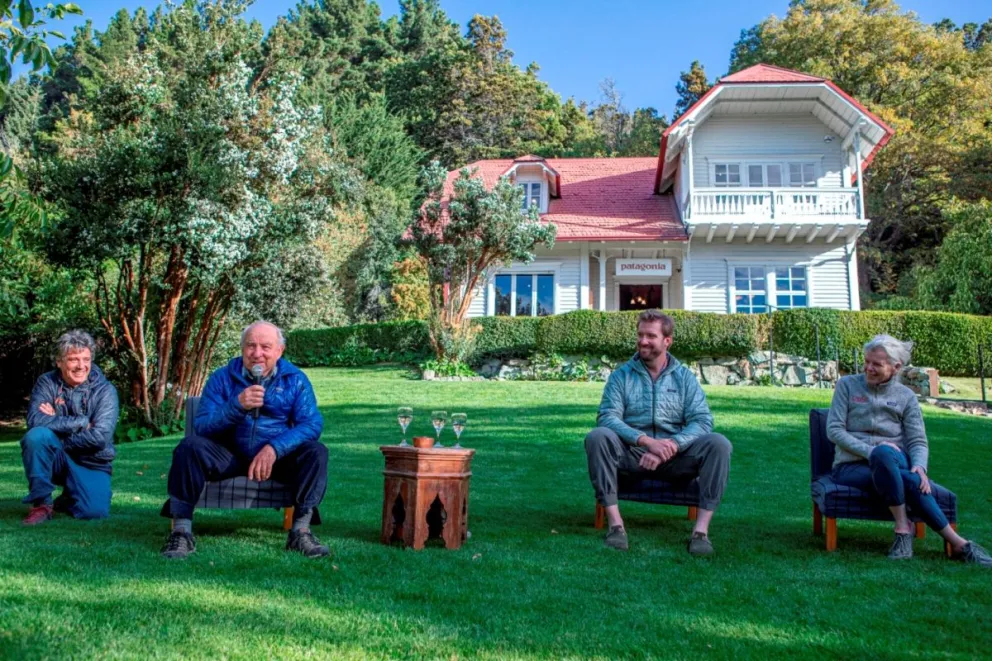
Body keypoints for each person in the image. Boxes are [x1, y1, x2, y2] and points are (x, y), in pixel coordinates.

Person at [160, 320, 329, 559]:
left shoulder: (296, 380)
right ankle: (181, 533)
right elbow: (203, 425)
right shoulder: (221, 378)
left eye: (265, 347)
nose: (257, 353)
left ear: (279, 351)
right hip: (229, 454)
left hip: (276, 460)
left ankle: (300, 532)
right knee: (189, 447)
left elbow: (312, 424)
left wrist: (274, 448)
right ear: (242, 349)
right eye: (251, 346)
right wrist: (236, 406)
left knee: (316, 452)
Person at [827, 334, 991, 565]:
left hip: (894, 460)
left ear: (896, 367)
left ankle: (903, 531)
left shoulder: (906, 397)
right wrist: (871, 450)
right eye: (866, 361)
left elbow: (917, 441)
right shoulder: (847, 386)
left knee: (896, 463)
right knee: (908, 479)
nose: (868, 368)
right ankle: (958, 543)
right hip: (851, 465)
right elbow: (834, 430)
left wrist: (919, 466)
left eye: (876, 364)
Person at [584, 310, 732, 555]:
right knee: (597, 436)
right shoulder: (621, 376)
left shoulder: (685, 378)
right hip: (632, 455)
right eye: (640, 334)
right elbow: (608, 417)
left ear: (667, 341)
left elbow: (702, 420)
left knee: (719, 444)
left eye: (650, 336)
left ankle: (701, 533)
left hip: (676, 458)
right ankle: (616, 526)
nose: (643, 341)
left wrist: (670, 445)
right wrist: (645, 441)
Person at [21, 330, 119, 524]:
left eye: (86, 359)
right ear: (59, 361)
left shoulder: (106, 391)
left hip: (92, 460)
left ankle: (69, 497)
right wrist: (82, 422)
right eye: (74, 359)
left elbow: (99, 438)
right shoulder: (46, 382)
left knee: (94, 512)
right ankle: (41, 504)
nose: (81, 366)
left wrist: (56, 425)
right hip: (58, 457)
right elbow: (35, 420)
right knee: (37, 437)